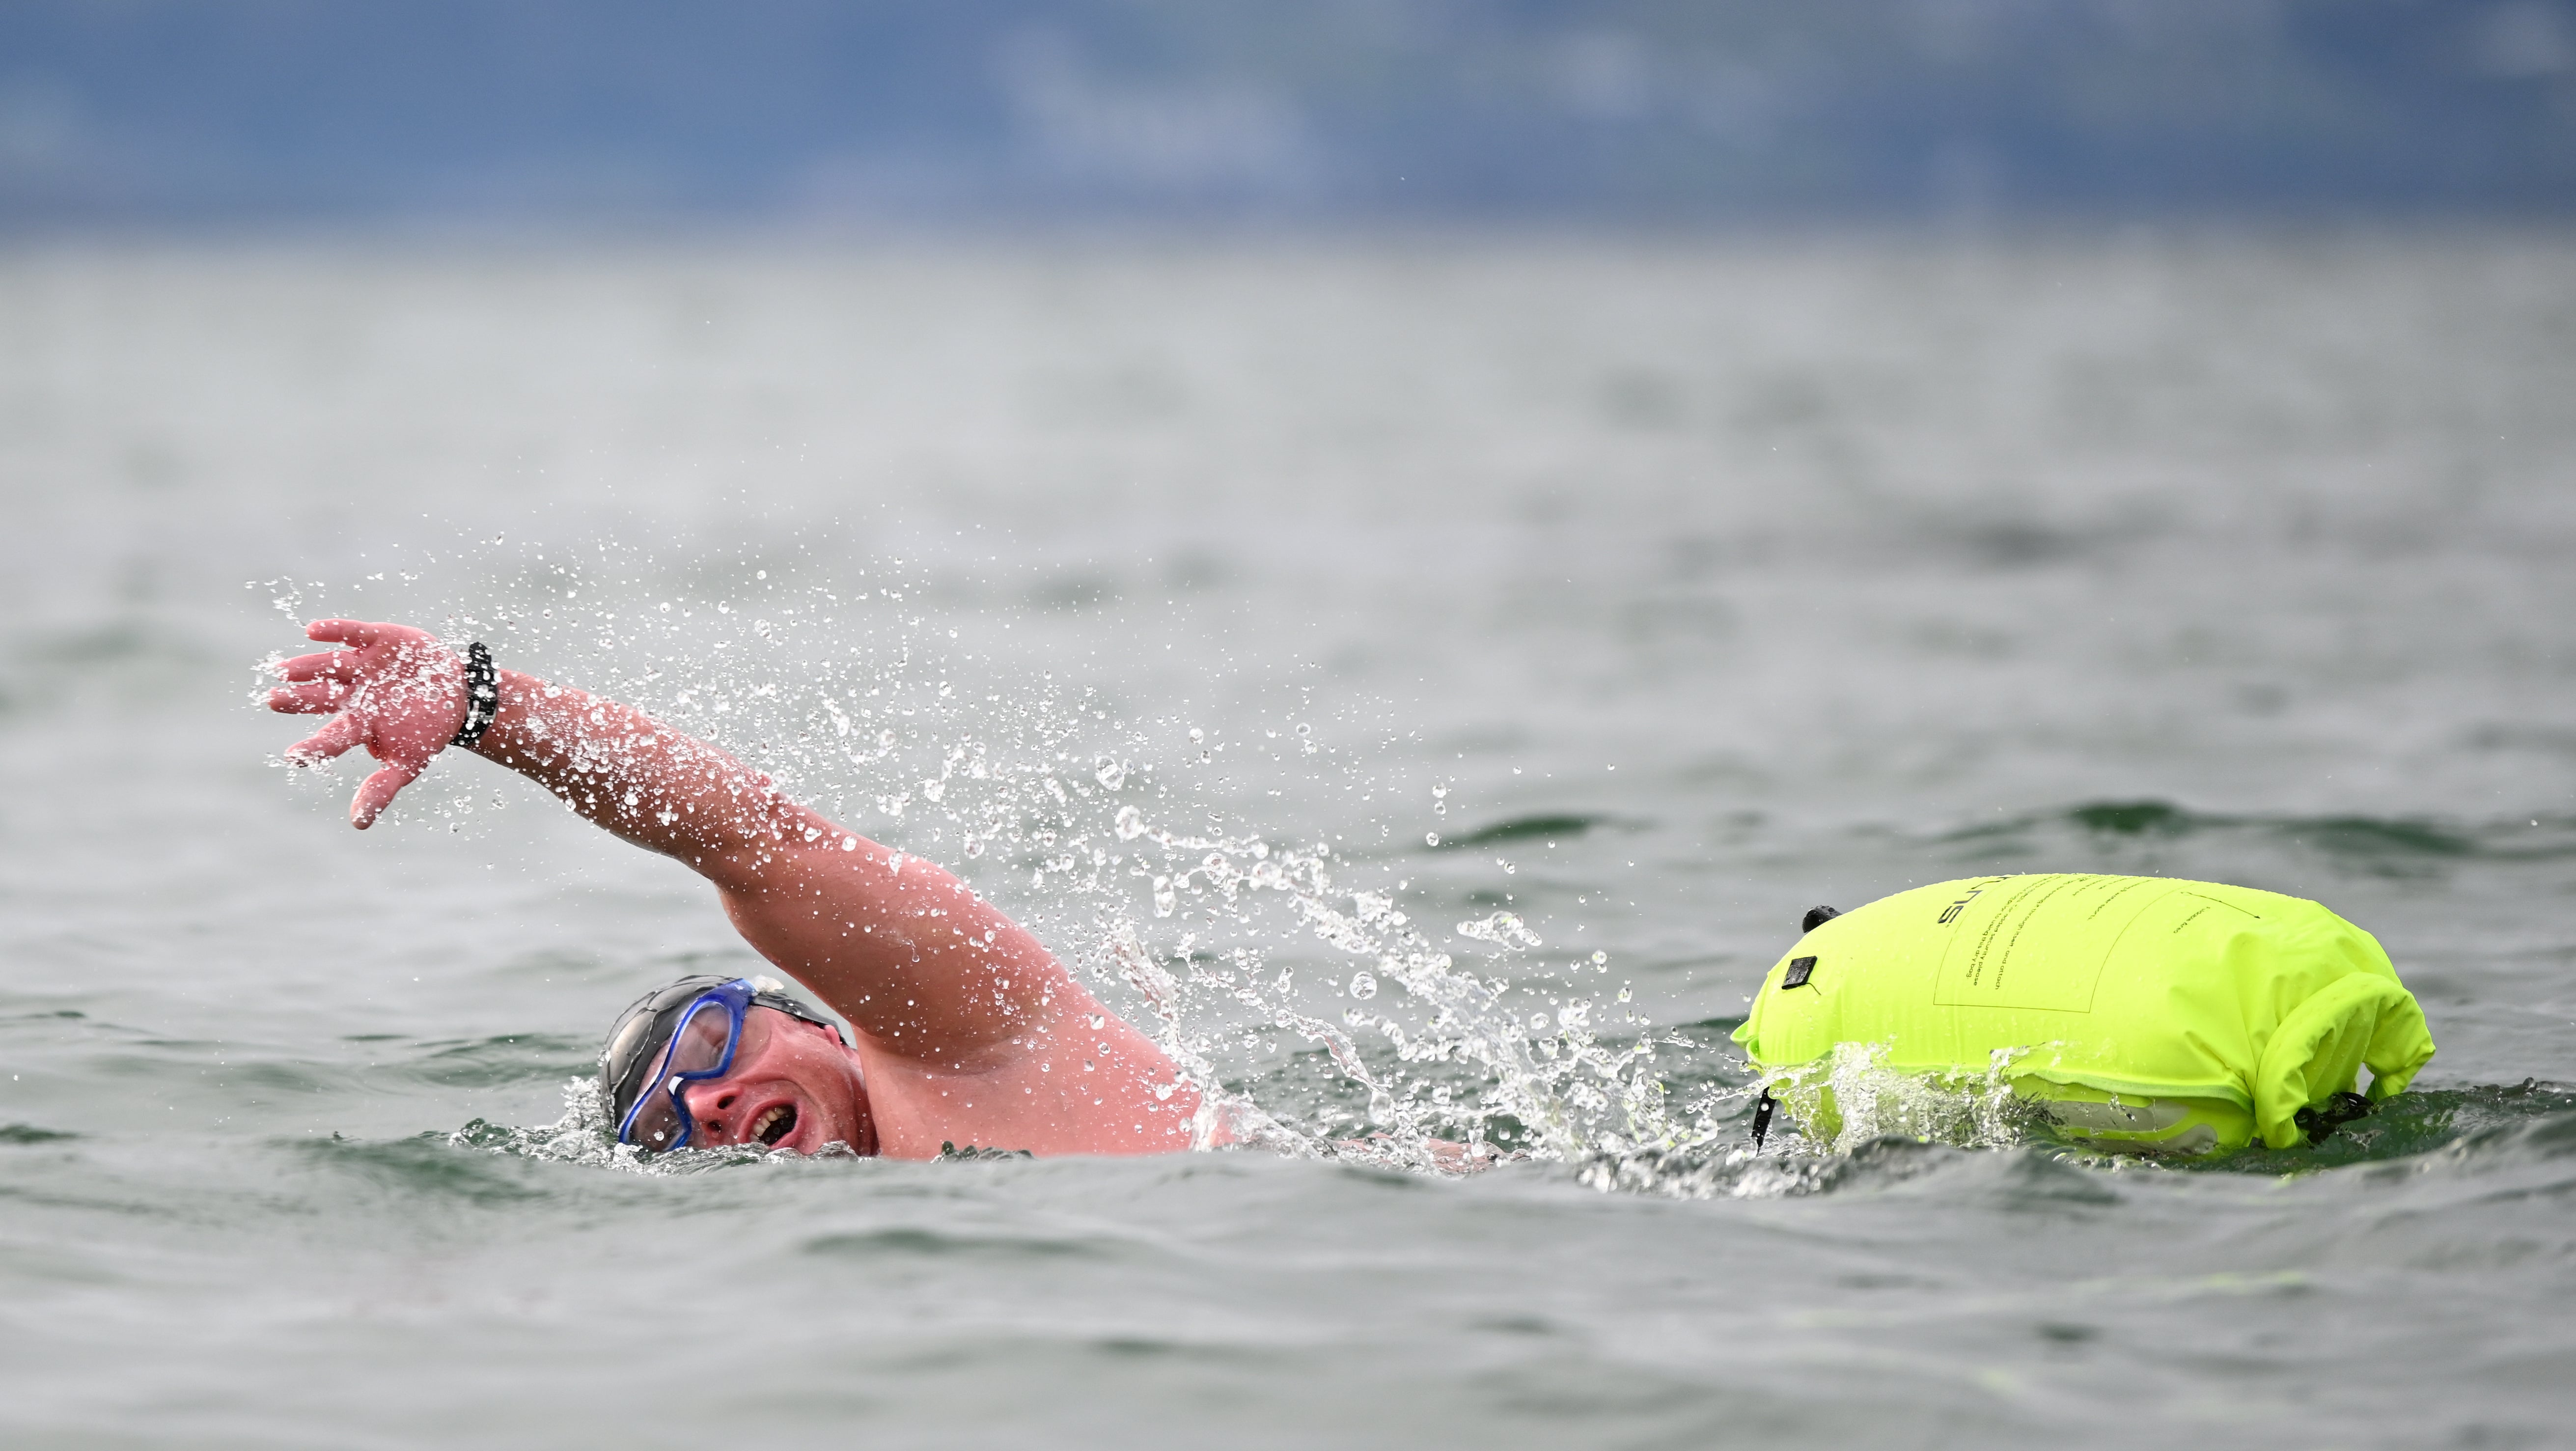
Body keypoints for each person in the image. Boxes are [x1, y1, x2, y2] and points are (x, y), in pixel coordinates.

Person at [268, 618, 1203, 1160]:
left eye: (711, 1040)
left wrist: (487, 706)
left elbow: (752, 841)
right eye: (667, 1120)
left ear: (817, 1021)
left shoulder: (956, 1042)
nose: (707, 1101)